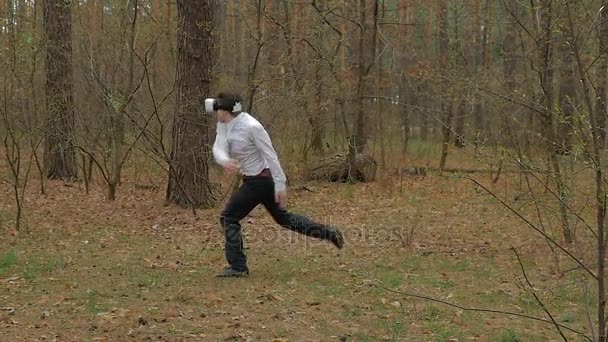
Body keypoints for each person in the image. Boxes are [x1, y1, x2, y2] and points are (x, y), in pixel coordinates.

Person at [211, 92, 344, 277]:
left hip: (262, 180)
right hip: (254, 180)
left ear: (225, 111)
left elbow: (270, 155)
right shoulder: (224, 124)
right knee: (284, 219)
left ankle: (238, 266)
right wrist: (224, 160)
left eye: (218, 108)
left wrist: (281, 185)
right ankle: (328, 233)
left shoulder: (252, 126)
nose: (215, 111)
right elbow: (217, 147)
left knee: (229, 217)